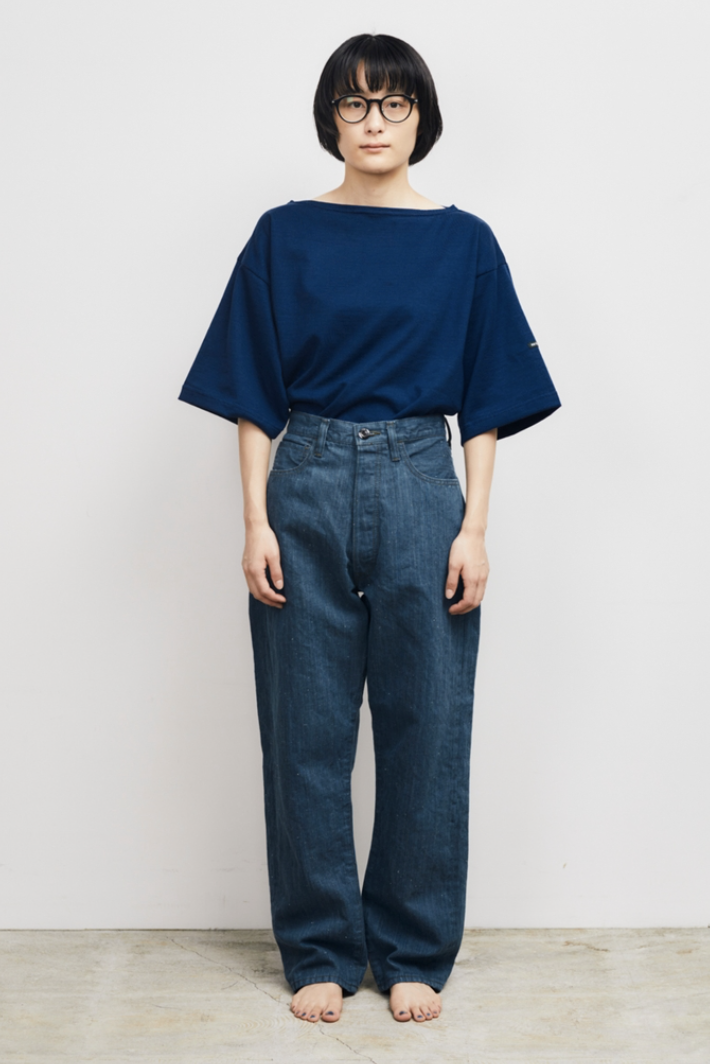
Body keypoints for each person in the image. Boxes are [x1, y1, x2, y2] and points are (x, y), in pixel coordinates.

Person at [178, 33, 561, 1026]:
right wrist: (255, 519)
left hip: (421, 481)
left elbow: (484, 403)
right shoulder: (283, 235)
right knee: (303, 727)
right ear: (331, 120)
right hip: (302, 476)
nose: (375, 122)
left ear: (421, 118)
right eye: (355, 104)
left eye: (394, 104)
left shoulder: (464, 243)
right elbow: (251, 393)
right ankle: (318, 946)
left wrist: (474, 528)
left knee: (427, 723)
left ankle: (411, 949)